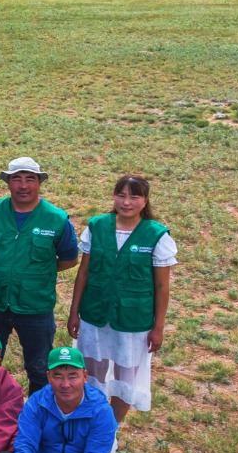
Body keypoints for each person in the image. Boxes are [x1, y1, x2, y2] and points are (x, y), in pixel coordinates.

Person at [68, 174, 176, 433]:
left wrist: (158, 327)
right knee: (92, 374)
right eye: (121, 195)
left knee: (125, 377)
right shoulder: (97, 226)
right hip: (94, 315)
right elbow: (84, 273)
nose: (126, 202)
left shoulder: (156, 235)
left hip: (133, 320)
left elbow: (162, 287)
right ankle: (90, 426)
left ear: (145, 200)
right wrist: (74, 313)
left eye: (134, 196)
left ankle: (110, 431)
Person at [0, 157, 80, 394]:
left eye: (30, 179)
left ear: (39, 183)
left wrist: (39, 272)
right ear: (8, 183)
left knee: (39, 367)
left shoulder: (56, 218)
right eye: (16, 179)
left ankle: (37, 419)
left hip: (35, 307)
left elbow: (70, 258)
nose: (23, 185)